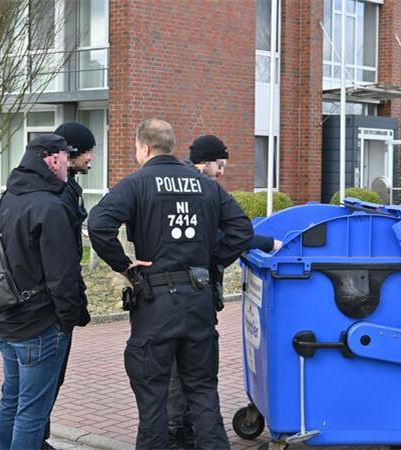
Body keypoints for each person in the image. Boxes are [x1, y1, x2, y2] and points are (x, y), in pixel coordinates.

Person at [88, 119, 253, 449]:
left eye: (136, 149)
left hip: (155, 302)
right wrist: (212, 260)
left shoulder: (136, 184)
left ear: (145, 148)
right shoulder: (205, 185)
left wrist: (125, 267)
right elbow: (242, 231)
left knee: (153, 397)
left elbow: (98, 225)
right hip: (199, 301)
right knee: (203, 391)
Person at [168, 134, 282, 448]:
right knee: (192, 370)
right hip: (191, 294)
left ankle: (180, 428)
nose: (222, 172)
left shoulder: (179, 185)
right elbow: (231, 234)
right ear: (204, 162)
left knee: (181, 367)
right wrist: (264, 244)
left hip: (169, 295)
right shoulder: (202, 191)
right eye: (219, 164)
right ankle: (181, 430)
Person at [0, 134, 90, 450]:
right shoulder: (51, 208)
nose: (69, 165)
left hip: (4, 320)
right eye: (65, 158)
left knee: (11, 400)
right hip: (40, 326)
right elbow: (63, 277)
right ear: (52, 159)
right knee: (31, 412)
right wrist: (69, 319)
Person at [37, 122, 97, 449]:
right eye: (88, 150)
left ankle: (35, 438)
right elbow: (60, 260)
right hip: (51, 305)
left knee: (46, 381)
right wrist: (70, 309)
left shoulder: (65, 188)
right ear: (69, 153)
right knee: (45, 380)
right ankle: (35, 440)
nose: (93, 156)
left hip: (53, 301)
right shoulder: (57, 193)